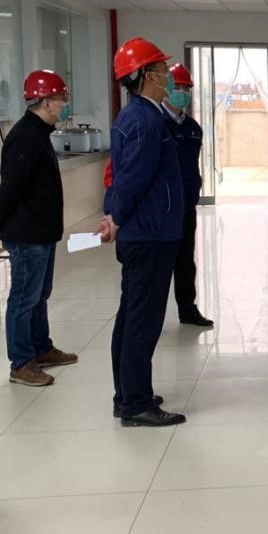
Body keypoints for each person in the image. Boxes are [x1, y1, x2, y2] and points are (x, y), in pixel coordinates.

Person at [97, 37, 186, 428]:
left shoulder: (136, 116)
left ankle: (128, 393)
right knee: (142, 321)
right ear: (147, 75)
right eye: (162, 69)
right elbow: (132, 177)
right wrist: (116, 216)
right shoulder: (145, 120)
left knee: (131, 316)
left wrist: (113, 213)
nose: (168, 75)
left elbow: (120, 175)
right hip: (149, 233)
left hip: (146, 230)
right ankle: (135, 403)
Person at [0, 69, 77, 388]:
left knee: (39, 295)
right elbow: (11, 187)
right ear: (45, 102)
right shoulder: (25, 137)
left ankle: (41, 348)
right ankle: (21, 363)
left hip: (42, 231)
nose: (65, 104)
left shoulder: (39, 133)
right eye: (61, 99)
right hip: (26, 234)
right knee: (24, 298)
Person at [164, 62, 213, 328]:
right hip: (162, 210)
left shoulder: (193, 128)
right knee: (160, 265)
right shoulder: (156, 124)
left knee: (185, 262)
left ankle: (187, 309)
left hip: (186, 207)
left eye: (187, 88)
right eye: (178, 87)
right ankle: (152, 314)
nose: (183, 93)